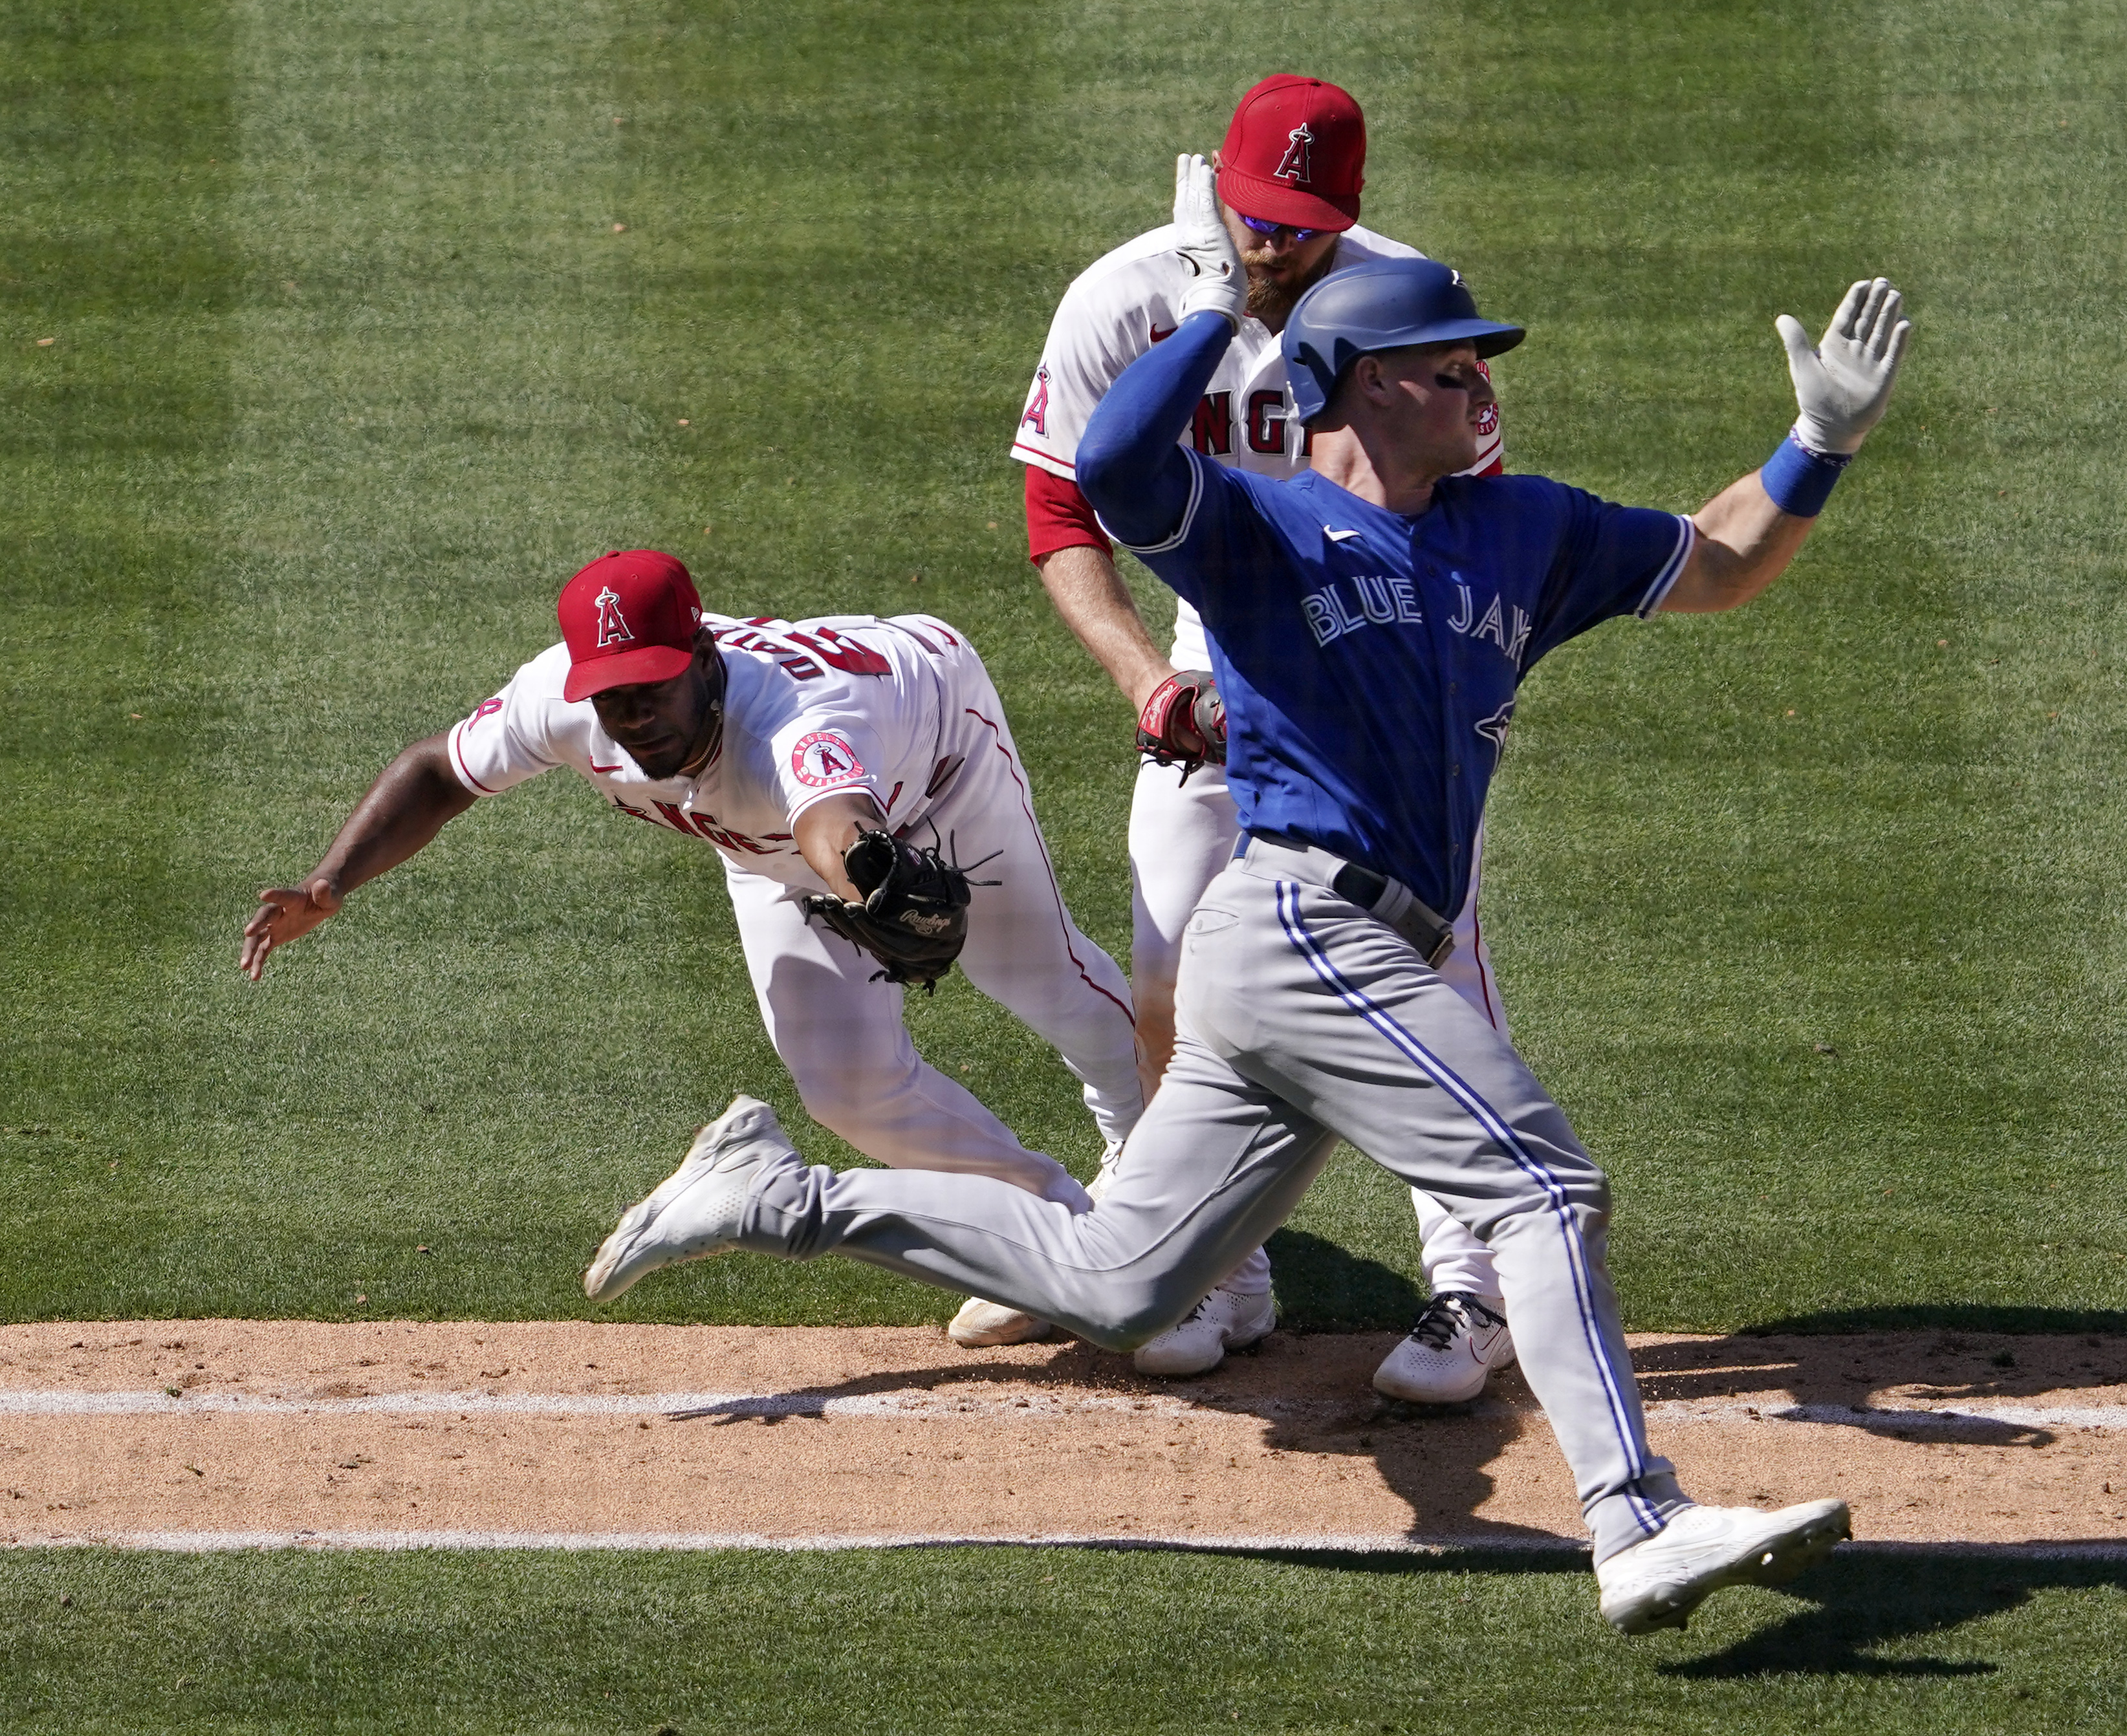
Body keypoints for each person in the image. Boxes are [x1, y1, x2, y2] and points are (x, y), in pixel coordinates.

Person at [581, 158, 1908, 1633]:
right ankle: (1638, 1520)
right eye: (1446, 361)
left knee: (1122, 1283)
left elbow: (1717, 560)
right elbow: (1114, 475)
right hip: (1299, 927)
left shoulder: (1521, 528)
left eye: (1480, 359)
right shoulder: (1263, 530)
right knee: (1540, 1184)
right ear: (1357, 382)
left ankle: (779, 1194)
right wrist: (1211, 320)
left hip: (1315, 955)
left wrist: (1817, 443)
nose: (1481, 379)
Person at [1007, 72, 1519, 1389]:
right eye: (1257, 216)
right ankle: (1218, 1271)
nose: (1275, 245)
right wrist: (1148, 686)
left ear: (1348, 212)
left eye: (1304, 225)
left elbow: (1470, 523)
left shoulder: (1411, 309)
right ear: (1220, 190)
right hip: (1209, 646)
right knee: (1169, 975)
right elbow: (1060, 517)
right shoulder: (1124, 302)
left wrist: (1412, 690)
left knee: (1427, 967)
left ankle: (1475, 1289)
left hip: (1379, 650)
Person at [241, 550, 1140, 1248]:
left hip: (936, 763)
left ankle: (1194, 1236)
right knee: (847, 1086)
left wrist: (865, 880)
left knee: (1043, 980)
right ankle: (1048, 1228)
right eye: (614, 698)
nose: (634, 721)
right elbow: (440, 770)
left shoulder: (797, 722)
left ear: (707, 657)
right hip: (765, 844)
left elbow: (830, 813)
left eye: (654, 689)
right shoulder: (559, 701)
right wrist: (332, 880)